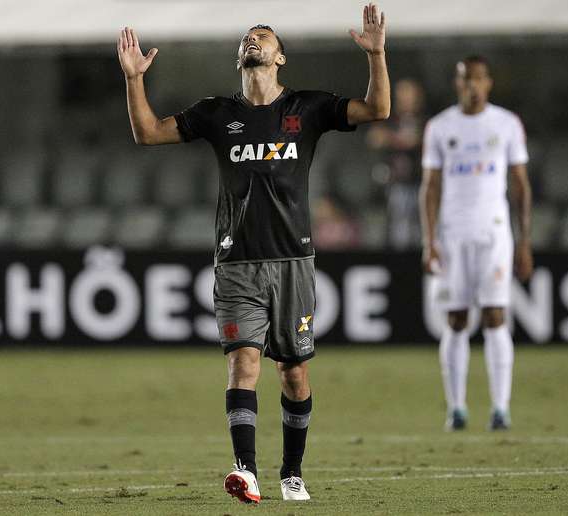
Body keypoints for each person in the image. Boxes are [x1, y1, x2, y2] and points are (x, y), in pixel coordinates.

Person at [117, 3, 389, 503]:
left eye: (262, 36)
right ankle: (246, 471)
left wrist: (376, 56)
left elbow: (378, 110)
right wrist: (135, 79)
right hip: (237, 262)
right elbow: (147, 132)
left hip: (293, 262)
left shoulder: (307, 108)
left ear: (280, 56)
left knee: (294, 372)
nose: (252, 40)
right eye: (247, 36)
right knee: (244, 363)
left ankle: (291, 472)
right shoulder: (217, 114)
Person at [419, 56, 532, 432]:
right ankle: (457, 409)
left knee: (496, 314)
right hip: (452, 233)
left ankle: (501, 408)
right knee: (456, 319)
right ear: (458, 83)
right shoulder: (440, 127)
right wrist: (429, 239)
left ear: (489, 83)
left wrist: (525, 241)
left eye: (479, 79)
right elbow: (430, 187)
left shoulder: (506, 124)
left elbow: (520, 185)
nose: (473, 86)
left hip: (494, 231)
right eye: (467, 79)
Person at [366, 78, 426, 249]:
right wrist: (399, 140)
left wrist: (397, 140)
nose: (405, 99)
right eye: (401, 94)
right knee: (398, 229)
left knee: (419, 230)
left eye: (409, 94)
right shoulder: (389, 116)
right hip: (394, 185)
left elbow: (420, 139)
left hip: (420, 182)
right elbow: (375, 138)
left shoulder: (425, 119)